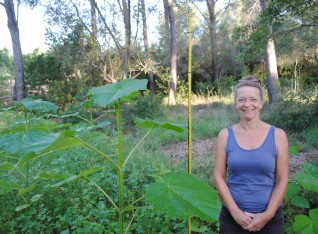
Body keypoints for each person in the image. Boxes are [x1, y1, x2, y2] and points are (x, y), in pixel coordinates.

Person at [213, 75, 289, 233]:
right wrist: (236, 213)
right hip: (232, 220)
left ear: (261, 103)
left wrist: (267, 215)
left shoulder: (278, 135)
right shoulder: (225, 135)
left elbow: (282, 179)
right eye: (241, 100)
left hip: (271, 220)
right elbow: (218, 177)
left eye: (253, 99)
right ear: (235, 104)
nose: (247, 104)